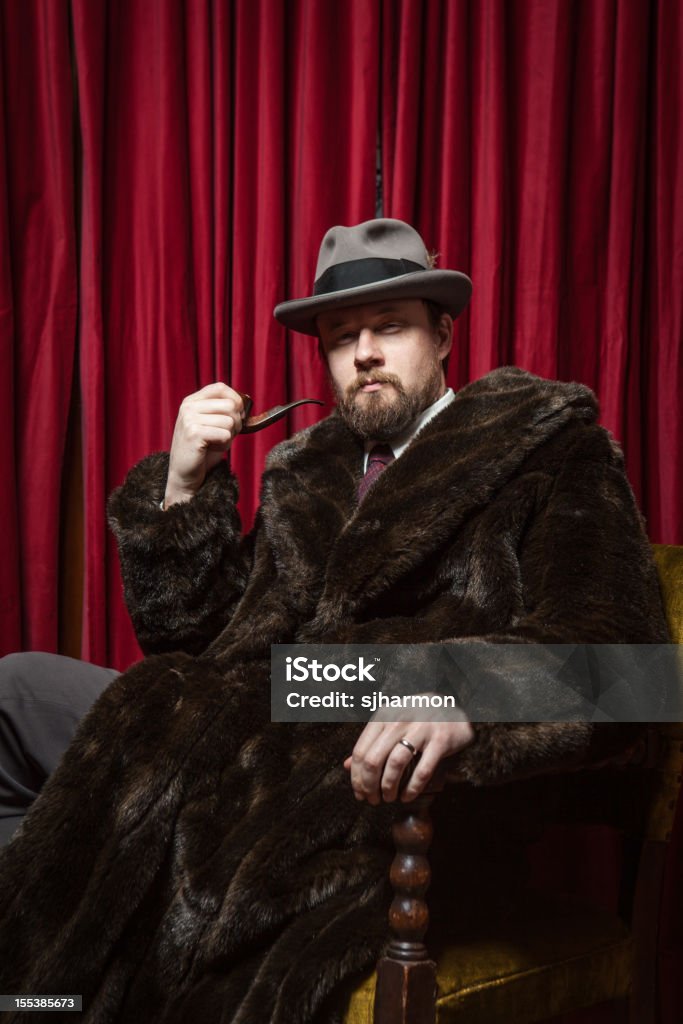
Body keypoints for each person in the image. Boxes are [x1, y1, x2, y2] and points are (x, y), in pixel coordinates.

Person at [0, 219, 668, 1023]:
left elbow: (626, 667)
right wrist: (182, 489)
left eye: (390, 327)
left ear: (444, 333)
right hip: (246, 727)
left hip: (381, 789)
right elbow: (207, 644)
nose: (364, 354)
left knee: (112, 833)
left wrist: (461, 691)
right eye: (341, 336)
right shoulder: (304, 470)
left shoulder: (548, 449)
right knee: (16, 689)